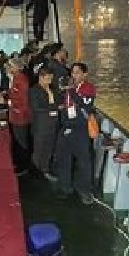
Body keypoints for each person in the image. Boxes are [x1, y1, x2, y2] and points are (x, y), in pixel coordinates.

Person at [53, 62, 97, 204]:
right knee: (63, 158)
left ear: (85, 74)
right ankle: (65, 186)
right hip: (66, 126)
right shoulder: (69, 88)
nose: (74, 75)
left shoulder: (88, 88)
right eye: (73, 72)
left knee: (84, 161)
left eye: (77, 72)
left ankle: (85, 190)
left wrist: (71, 90)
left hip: (80, 130)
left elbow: (85, 104)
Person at [29, 67, 60, 180]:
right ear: (40, 78)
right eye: (47, 79)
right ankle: (36, 174)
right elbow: (36, 108)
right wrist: (52, 108)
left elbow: (59, 102)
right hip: (40, 126)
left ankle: (45, 170)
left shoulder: (53, 89)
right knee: (38, 150)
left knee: (48, 149)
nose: (49, 81)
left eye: (51, 79)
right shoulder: (34, 90)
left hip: (52, 125)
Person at [6, 57, 32, 176]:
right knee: (17, 140)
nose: (8, 67)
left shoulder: (21, 79)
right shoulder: (15, 78)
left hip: (20, 116)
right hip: (15, 115)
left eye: (10, 65)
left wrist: (9, 101)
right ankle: (19, 163)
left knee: (21, 142)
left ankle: (24, 166)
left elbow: (22, 99)